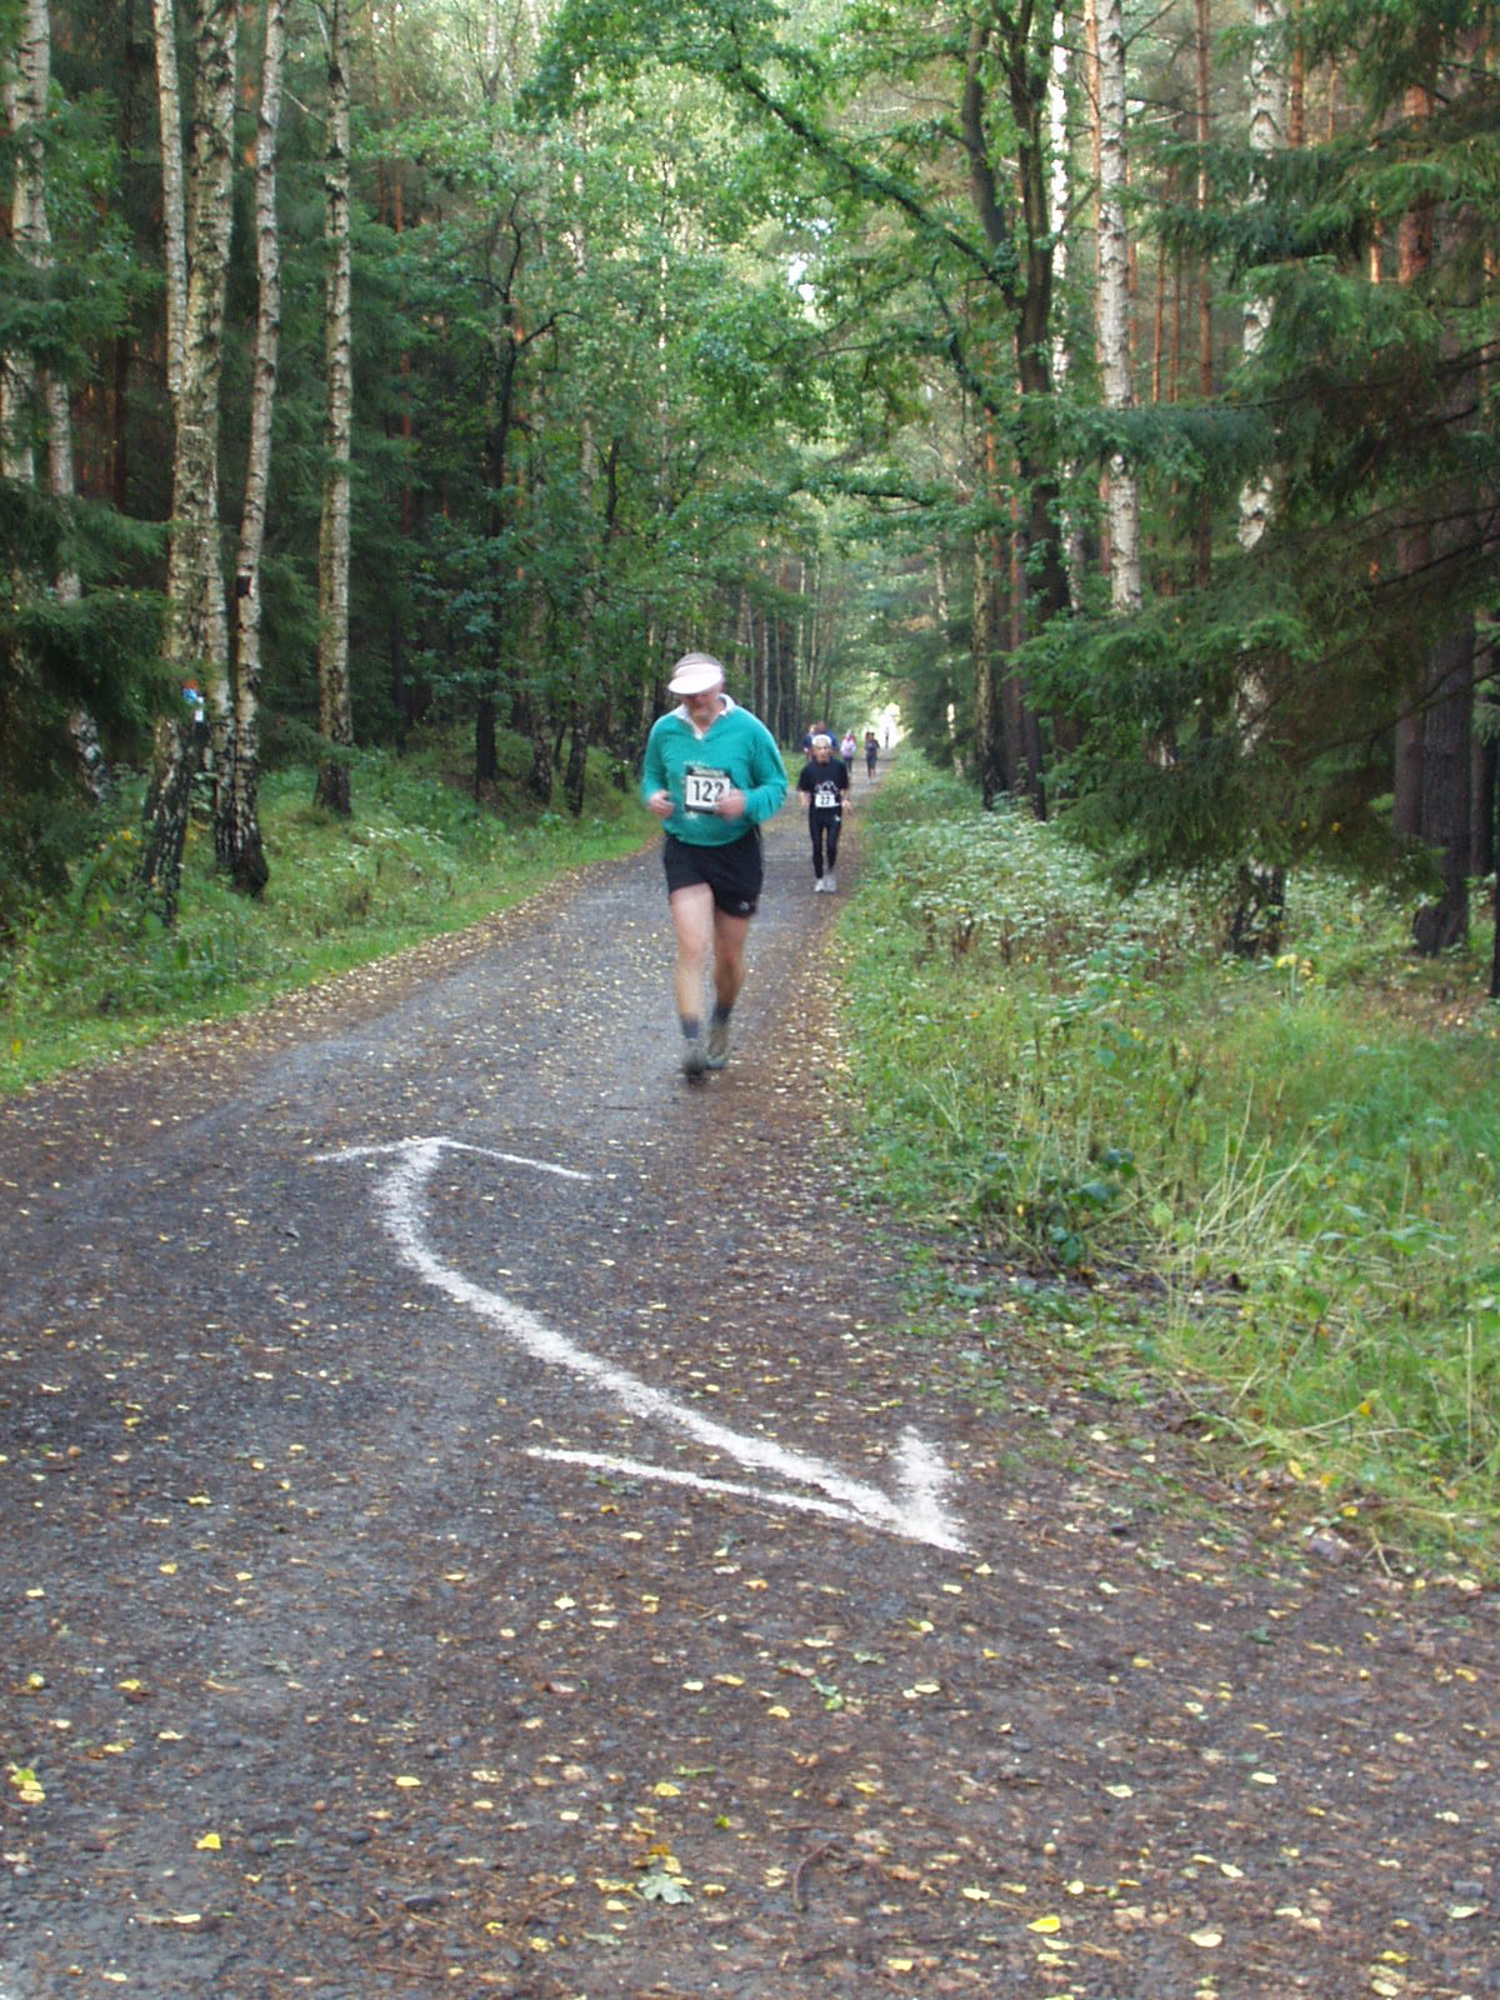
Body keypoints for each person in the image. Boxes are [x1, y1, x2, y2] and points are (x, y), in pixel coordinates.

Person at [642, 652, 788, 1078]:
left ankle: (721, 1018)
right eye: (686, 694)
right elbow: (651, 775)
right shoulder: (665, 730)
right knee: (692, 946)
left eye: (702, 691)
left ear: (720, 685)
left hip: (736, 851)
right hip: (685, 847)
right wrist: (653, 797)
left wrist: (747, 802)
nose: (695, 700)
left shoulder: (750, 730)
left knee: (728, 955)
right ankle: (692, 1042)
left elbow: (777, 785)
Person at [795, 732, 850, 895]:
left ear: (831, 750)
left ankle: (830, 871)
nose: (823, 751)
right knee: (817, 846)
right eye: (819, 749)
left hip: (834, 811)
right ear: (814, 751)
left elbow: (846, 787)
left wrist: (846, 800)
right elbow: (803, 789)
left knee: (831, 845)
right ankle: (819, 878)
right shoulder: (808, 770)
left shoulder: (839, 767)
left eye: (826, 748)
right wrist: (804, 799)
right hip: (816, 813)